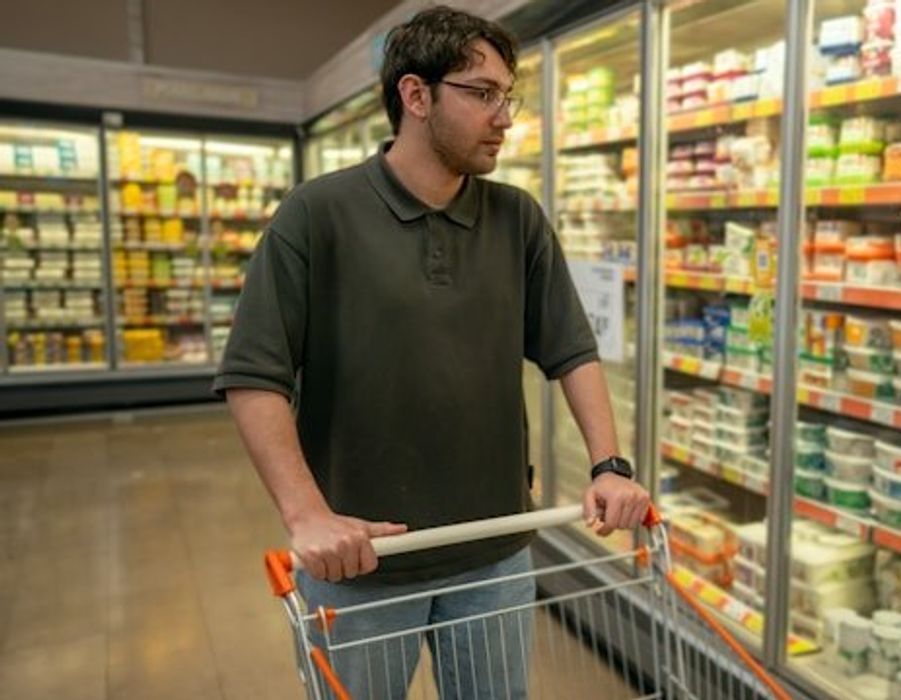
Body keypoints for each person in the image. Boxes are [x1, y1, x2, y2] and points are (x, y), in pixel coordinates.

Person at [213, 6, 650, 698]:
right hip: (362, 564)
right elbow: (253, 374)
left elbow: (570, 349)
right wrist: (306, 516)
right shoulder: (317, 215)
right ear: (416, 96)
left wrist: (610, 464)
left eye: (508, 95)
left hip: (495, 551)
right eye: (481, 94)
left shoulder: (516, 219)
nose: (504, 115)